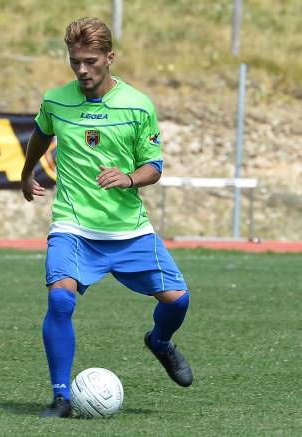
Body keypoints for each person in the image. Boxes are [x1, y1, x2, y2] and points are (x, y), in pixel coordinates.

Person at [20, 17, 193, 419]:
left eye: (91, 61)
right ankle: (61, 397)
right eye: (75, 61)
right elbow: (42, 133)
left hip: (129, 229)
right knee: (60, 300)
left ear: (110, 58)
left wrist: (128, 178)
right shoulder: (56, 100)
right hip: (73, 226)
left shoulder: (138, 105)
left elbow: (154, 167)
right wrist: (26, 172)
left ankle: (160, 342)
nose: (82, 69)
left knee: (178, 301)